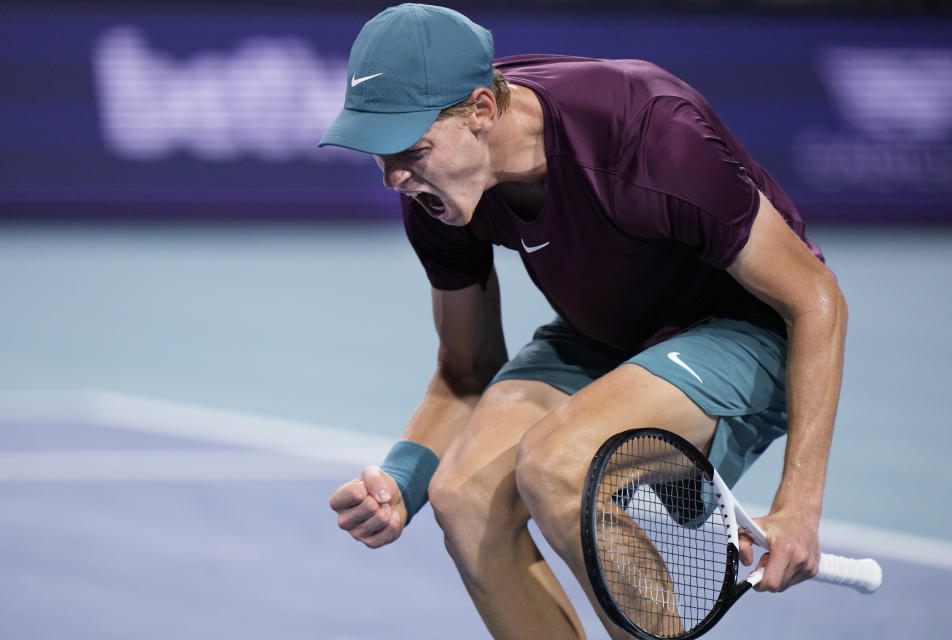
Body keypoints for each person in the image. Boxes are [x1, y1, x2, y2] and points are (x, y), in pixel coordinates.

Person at [320, 4, 847, 639]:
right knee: (461, 497)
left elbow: (816, 297)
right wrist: (405, 482)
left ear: (483, 111)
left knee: (560, 461)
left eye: (413, 148)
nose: (394, 177)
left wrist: (800, 504)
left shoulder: (651, 135)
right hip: (604, 333)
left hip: (741, 328)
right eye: (381, 153)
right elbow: (466, 370)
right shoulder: (432, 193)